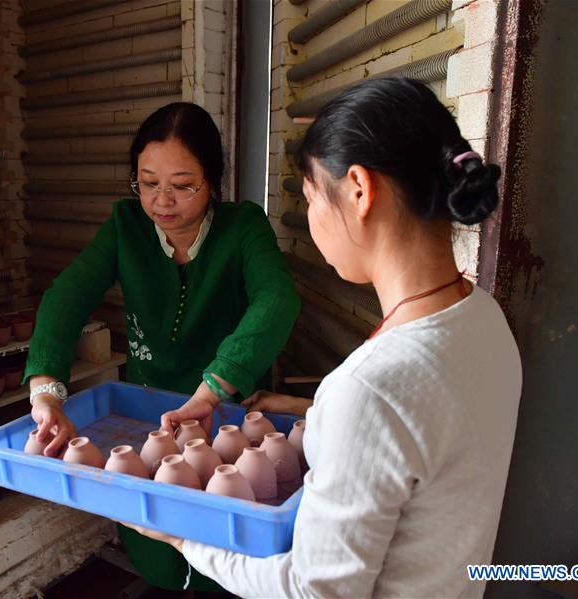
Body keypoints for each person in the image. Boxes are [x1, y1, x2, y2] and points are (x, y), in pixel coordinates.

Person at [128, 77, 523, 598]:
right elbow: (425, 442)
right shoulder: (483, 318)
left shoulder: (368, 389)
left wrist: (183, 538)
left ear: (359, 191)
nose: (311, 219)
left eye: (312, 197)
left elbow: (312, 591)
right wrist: (314, 413)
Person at [24, 101, 300, 591]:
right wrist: (47, 392)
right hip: (148, 416)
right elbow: (67, 296)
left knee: (226, 560)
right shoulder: (125, 227)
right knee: (158, 554)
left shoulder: (243, 227)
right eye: (148, 182)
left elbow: (276, 299)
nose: (162, 201)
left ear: (213, 181)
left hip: (224, 417)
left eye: (182, 185)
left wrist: (214, 389)